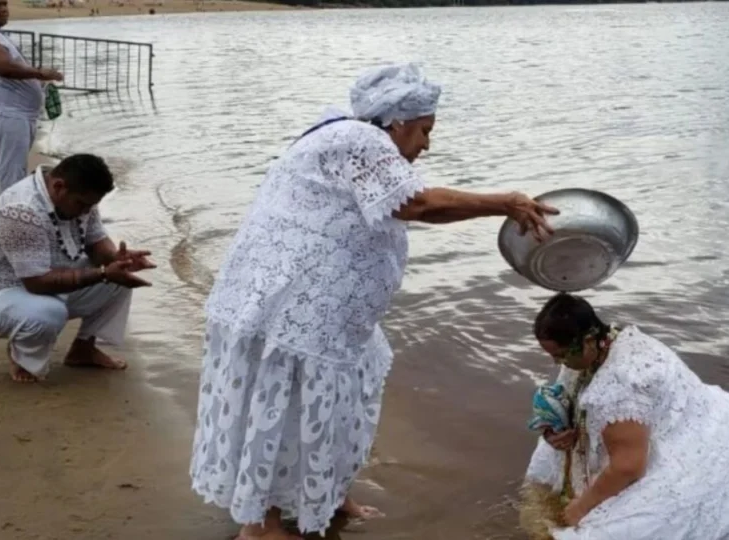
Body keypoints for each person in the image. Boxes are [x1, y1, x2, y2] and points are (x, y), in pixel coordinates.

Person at [189, 62, 559, 540]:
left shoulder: (353, 139)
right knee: (288, 409)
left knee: (346, 397)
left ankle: (323, 496)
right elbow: (415, 204)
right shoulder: (358, 139)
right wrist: (503, 202)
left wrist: (494, 209)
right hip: (291, 308)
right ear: (399, 121)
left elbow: (408, 204)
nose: (427, 144)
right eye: (425, 130)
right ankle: (261, 525)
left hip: (326, 310)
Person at [521, 293, 729, 540]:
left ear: (589, 339)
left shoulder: (622, 386)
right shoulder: (602, 344)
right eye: (552, 356)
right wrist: (555, 432)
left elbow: (629, 467)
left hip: (660, 444)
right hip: (641, 424)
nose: (557, 364)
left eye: (561, 356)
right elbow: (566, 397)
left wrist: (582, 507)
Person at [0, 154, 155, 383]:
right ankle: (23, 359)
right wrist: (102, 273)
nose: (85, 210)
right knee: (48, 313)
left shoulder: (79, 197)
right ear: (59, 187)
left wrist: (117, 259)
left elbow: (95, 241)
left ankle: (83, 350)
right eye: (81, 204)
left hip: (42, 279)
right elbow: (37, 282)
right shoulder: (21, 210)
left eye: (91, 205)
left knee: (121, 278)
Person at [0, 0, 64, 195]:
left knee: (10, 171)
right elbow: (5, 67)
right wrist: (40, 73)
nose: (3, 9)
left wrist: (38, 84)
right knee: (11, 176)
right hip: (6, 114)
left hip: (12, 113)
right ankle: (9, 220)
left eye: (5, 4)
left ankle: (8, 215)